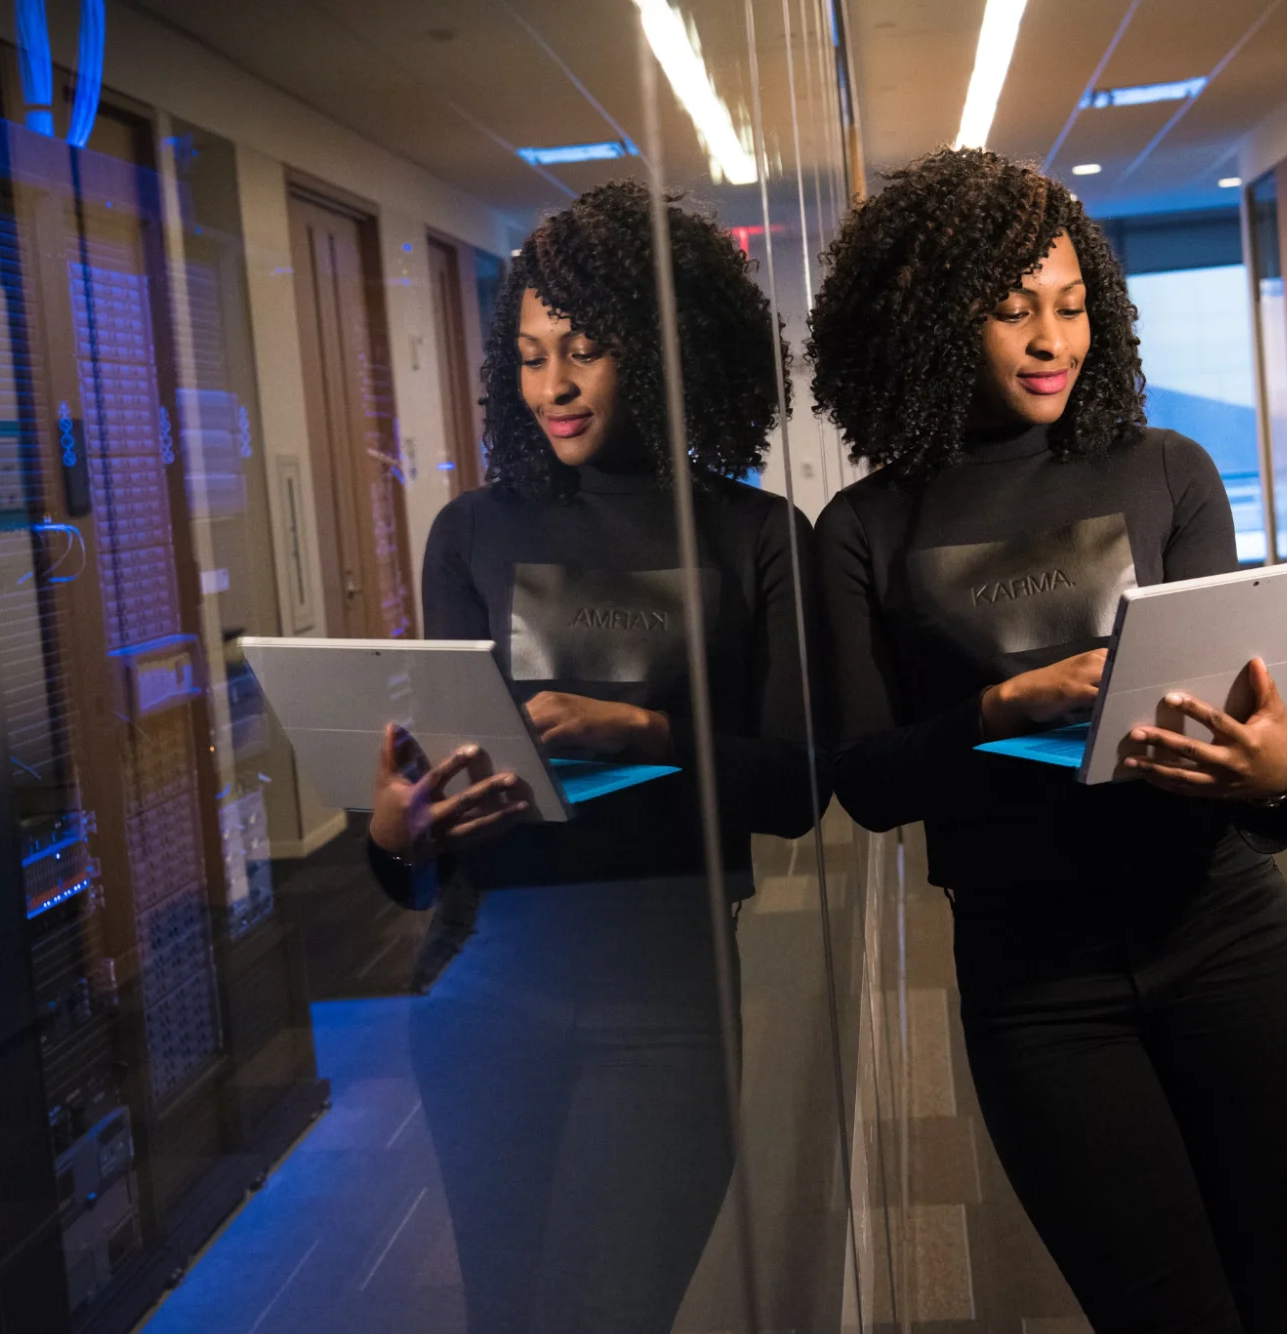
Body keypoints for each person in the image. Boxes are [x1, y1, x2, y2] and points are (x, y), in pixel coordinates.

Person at [808, 147, 1287, 1335]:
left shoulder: (1167, 471)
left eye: (1072, 304)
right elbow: (867, 784)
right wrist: (999, 711)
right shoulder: (865, 528)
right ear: (933, 324)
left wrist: (1281, 778)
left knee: (1271, 1301)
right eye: (1010, 310)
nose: (1051, 338)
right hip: (1037, 984)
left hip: (1229, 938)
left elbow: (1249, 748)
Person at [363, 180, 822, 1335]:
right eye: (528, 356)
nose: (553, 386)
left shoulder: (757, 537)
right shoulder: (473, 532)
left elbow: (800, 786)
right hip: (482, 984)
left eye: (583, 351)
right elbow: (439, 812)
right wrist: (393, 834)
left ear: (668, 353)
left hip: (664, 1000)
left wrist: (648, 734)